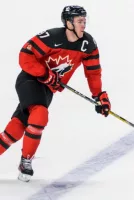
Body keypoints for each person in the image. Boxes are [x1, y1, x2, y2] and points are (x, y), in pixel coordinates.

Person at [0, 5, 111, 182]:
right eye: (79, 21)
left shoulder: (87, 44)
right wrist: (44, 73)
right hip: (30, 80)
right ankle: (26, 160)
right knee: (40, 114)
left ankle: (23, 158)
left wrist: (99, 96)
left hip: (48, 89)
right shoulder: (51, 37)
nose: (83, 25)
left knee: (18, 126)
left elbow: (93, 72)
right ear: (68, 23)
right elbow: (25, 55)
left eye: (84, 20)